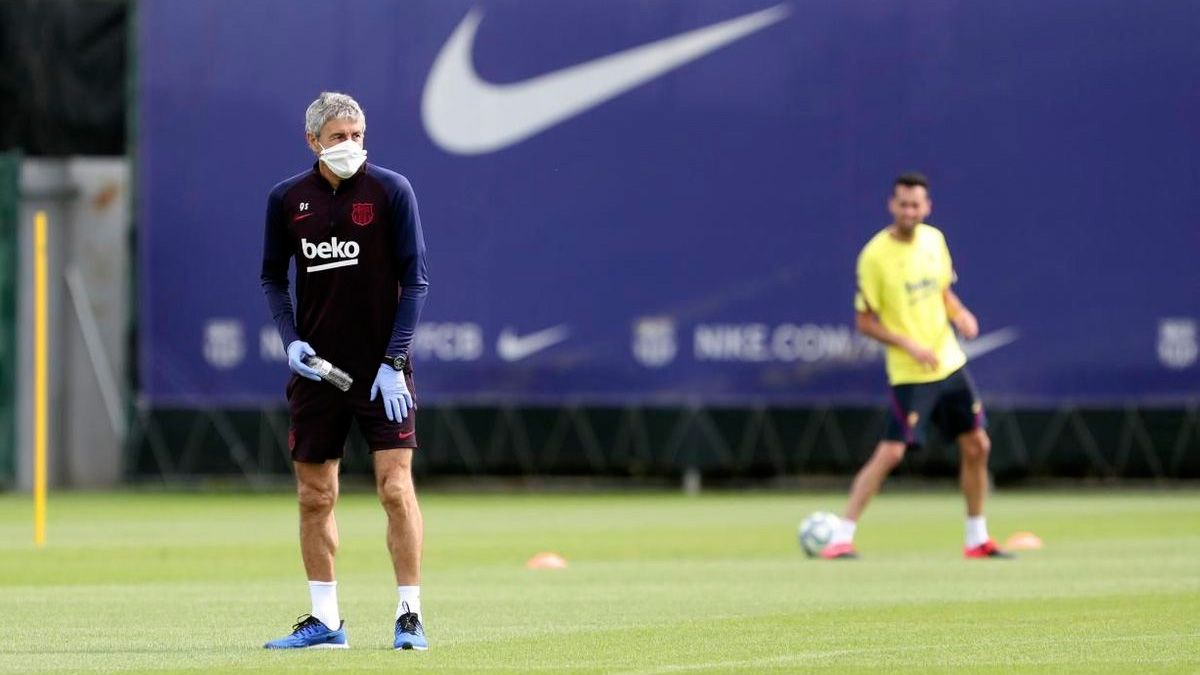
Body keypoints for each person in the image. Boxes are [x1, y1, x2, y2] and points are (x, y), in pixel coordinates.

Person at [259, 92, 432, 649]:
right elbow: (271, 279)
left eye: (357, 135)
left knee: (395, 488)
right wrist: (292, 343)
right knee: (315, 495)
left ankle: (409, 615)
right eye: (338, 137)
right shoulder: (287, 199)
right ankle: (326, 620)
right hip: (318, 375)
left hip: (382, 371)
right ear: (313, 141)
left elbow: (417, 282)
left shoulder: (391, 190)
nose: (350, 146)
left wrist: (394, 361)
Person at [822, 172, 1012, 560]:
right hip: (911, 372)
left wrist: (961, 314)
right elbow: (864, 321)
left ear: (927, 207)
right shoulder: (874, 255)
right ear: (892, 206)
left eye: (916, 204)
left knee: (978, 445)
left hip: (949, 362)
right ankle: (841, 536)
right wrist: (908, 343)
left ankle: (977, 538)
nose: (910, 211)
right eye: (903, 204)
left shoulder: (934, 240)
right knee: (891, 453)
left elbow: (943, 292)